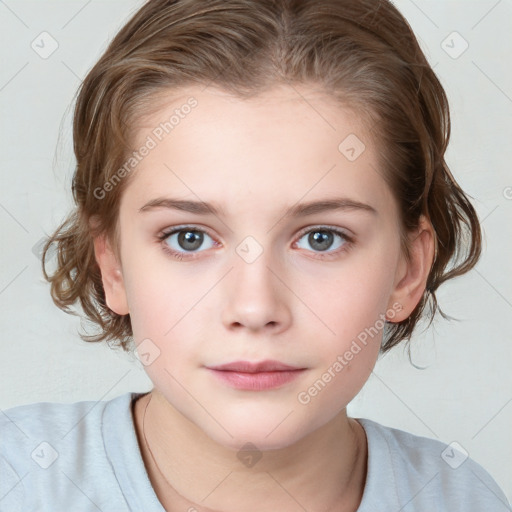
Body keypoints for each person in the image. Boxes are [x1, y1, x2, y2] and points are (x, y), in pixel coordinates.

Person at [1, 0, 510, 511]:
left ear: (408, 271)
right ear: (112, 266)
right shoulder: (18, 479)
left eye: (321, 238)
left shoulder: (463, 498)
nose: (254, 308)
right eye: (189, 238)